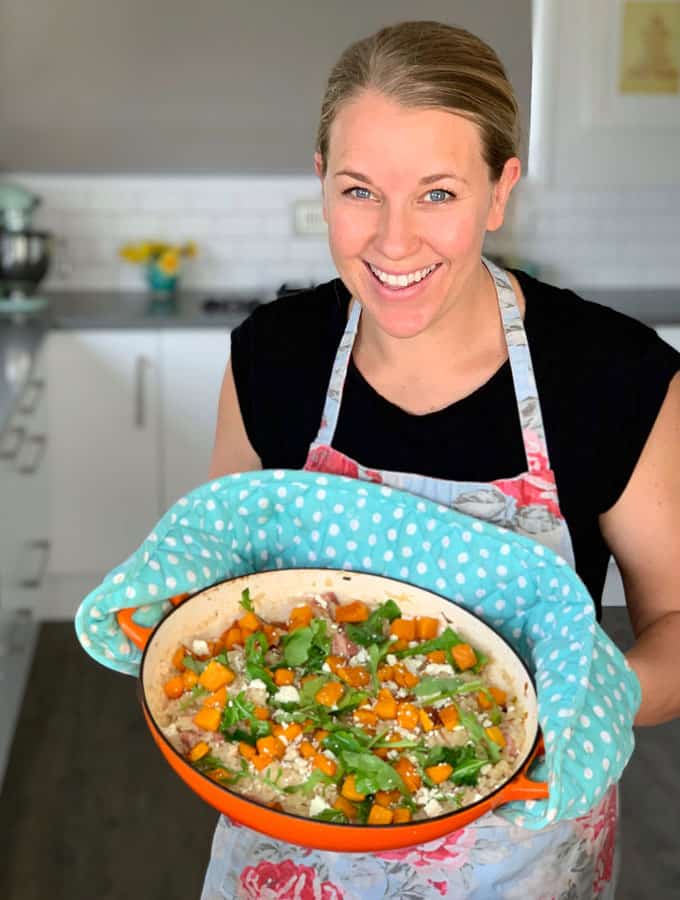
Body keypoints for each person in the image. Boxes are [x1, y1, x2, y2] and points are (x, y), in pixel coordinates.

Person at [206, 20, 680, 899]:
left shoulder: (615, 375)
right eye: (359, 190)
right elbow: (222, 588)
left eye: (437, 194)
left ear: (499, 192)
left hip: (518, 861)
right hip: (288, 837)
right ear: (321, 181)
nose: (392, 241)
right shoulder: (272, 357)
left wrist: (589, 708)